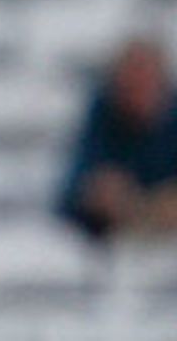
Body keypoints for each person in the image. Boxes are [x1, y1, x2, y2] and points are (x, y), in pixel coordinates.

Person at [55, 37, 177, 240]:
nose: (139, 91)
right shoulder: (102, 118)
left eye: (147, 81)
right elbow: (71, 192)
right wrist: (97, 194)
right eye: (132, 82)